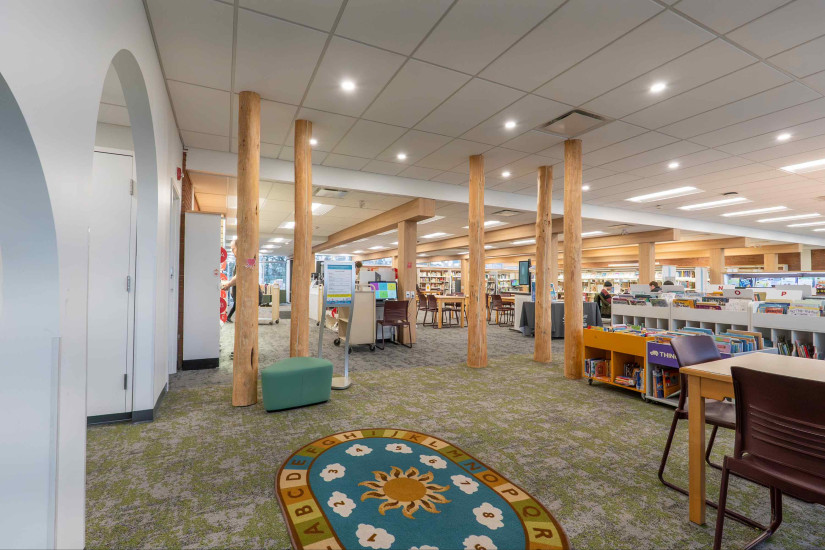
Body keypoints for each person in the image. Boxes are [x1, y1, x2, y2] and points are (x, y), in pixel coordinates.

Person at [222, 239, 238, 322]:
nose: (232, 251)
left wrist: (228, 285)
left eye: (233, 249)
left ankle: (228, 317)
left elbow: (240, 276)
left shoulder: (247, 259)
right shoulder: (239, 260)